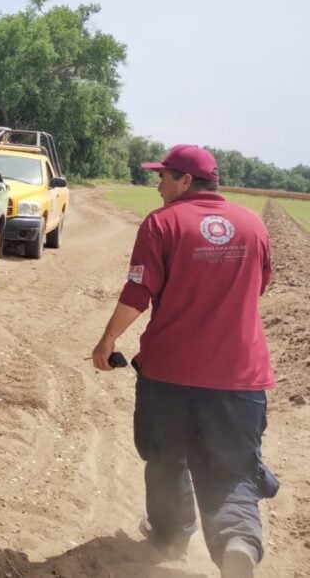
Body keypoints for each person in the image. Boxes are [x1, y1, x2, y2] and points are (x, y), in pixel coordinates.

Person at [90, 144, 278, 578]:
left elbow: (139, 292)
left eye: (164, 176)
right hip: (240, 378)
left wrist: (108, 339)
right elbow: (260, 285)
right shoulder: (253, 225)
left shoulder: (162, 223)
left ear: (186, 181)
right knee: (232, 469)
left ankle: (169, 535)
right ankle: (237, 542)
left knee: (166, 455)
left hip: (169, 374)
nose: (158, 185)